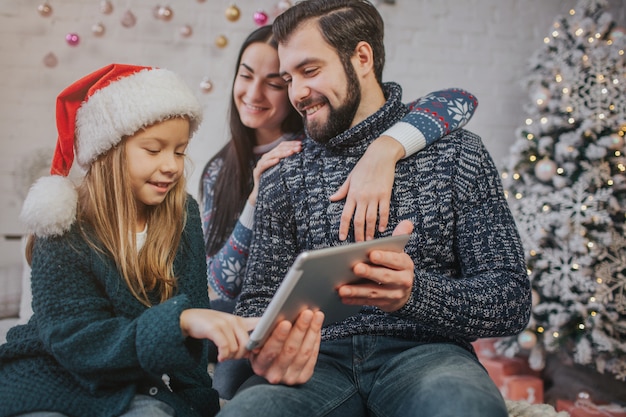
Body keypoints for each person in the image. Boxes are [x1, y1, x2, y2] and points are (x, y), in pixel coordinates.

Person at [217, 1, 531, 416]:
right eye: (289, 78)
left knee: (464, 407)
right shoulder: (283, 171)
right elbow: (254, 302)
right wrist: (270, 345)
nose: (296, 94)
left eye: (310, 71)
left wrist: (416, 293)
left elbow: (510, 301)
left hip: (428, 355)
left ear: (361, 57)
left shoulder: (457, 154)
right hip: (316, 363)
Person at [0, 64, 284, 417]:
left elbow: (193, 343)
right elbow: (78, 341)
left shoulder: (182, 214)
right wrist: (179, 322)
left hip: (131, 384)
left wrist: (200, 403)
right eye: (153, 150)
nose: (171, 166)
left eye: (179, 151)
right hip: (51, 376)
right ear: (108, 153)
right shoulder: (64, 224)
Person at [200, 24, 479, 312]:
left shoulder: (319, 148)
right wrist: (254, 201)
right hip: (241, 313)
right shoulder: (219, 169)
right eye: (245, 76)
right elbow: (220, 283)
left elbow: (458, 100)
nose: (253, 94)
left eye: (274, 84)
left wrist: (384, 149)